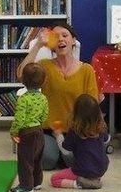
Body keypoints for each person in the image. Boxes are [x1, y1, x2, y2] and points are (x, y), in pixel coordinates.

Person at [18, 24, 100, 170]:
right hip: (49, 129)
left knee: (75, 161)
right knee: (48, 161)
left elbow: (91, 108)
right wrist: (37, 45)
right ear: (51, 44)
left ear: (73, 40)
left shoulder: (87, 70)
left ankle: (65, 153)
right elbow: (22, 75)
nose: (61, 39)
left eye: (65, 35)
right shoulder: (44, 67)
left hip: (77, 130)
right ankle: (58, 152)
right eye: (56, 37)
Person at [51, 94, 110, 190]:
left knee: (55, 179)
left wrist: (59, 135)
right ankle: (94, 178)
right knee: (89, 163)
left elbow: (65, 151)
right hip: (101, 168)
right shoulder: (100, 128)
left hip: (82, 170)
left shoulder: (75, 131)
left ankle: (79, 183)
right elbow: (107, 140)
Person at [9, 62, 48, 192]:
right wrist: (39, 124)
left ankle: (26, 186)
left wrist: (13, 131)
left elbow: (19, 118)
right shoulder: (43, 98)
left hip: (27, 134)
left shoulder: (23, 99)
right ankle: (37, 182)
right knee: (37, 158)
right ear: (43, 81)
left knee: (25, 161)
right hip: (39, 131)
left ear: (23, 80)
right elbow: (45, 115)